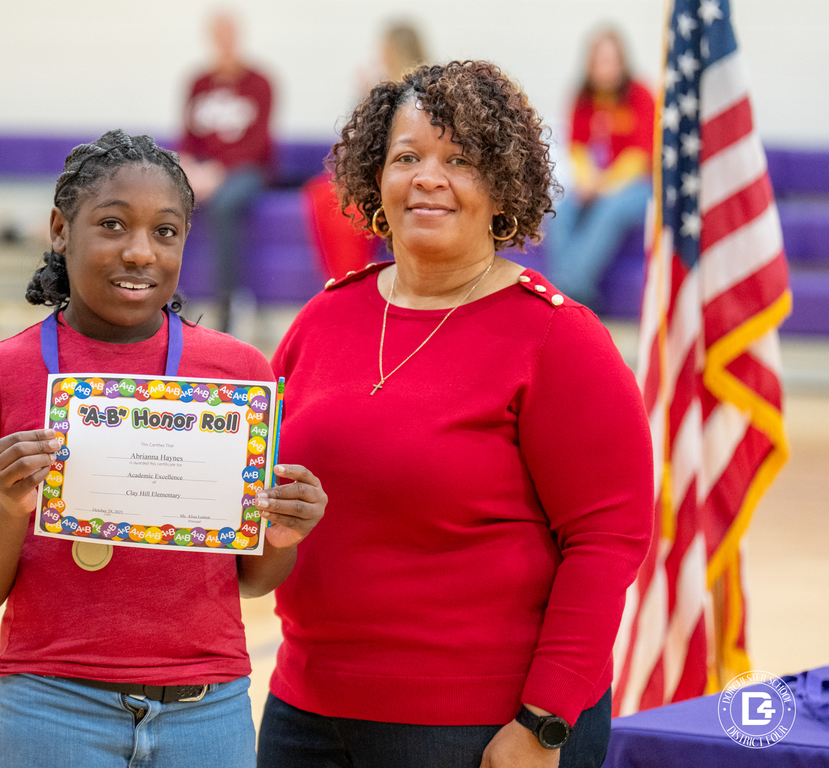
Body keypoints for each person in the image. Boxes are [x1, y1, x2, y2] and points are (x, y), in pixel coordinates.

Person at [256, 62, 654, 768]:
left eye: (459, 160)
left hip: (481, 725)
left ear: (503, 187)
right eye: (406, 157)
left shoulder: (559, 339)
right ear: (375, 178)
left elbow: (608, 541)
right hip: (305, 714)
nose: (427, 178)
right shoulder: (324, 318)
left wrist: (544, 723)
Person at [0, 129, 326, 767]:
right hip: (50, 708)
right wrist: (8, 506)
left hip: (207, 712)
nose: (140, 252)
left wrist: (285, 534)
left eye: (165, 232)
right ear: (61, 229)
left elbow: (253, 580)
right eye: (113, 225)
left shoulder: (238, 377)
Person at [304, 20, 429, 282]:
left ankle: (349, 280)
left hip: (401, 170)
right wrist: (364, 95)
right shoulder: (379, 87)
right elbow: (357, 137)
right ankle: (343, 280)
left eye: (384, 49)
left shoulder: (423, 88)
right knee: (323, 193)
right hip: (375, 168)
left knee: (344, 202)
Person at [546, 28, 655, 309]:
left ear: (623, 63)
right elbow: (577, 149)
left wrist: (603, 186)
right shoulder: (582, 98)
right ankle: (572, 290)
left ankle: (567, 289)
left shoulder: (641, 96)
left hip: (638, 186)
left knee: (611, 210)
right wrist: (586, 182)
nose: (605, 67)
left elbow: (640, 156)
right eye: (599, 61)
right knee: (560, 210)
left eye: (611, 60)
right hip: (593, 185)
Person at [179, 11, 273, 333]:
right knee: (168, 201)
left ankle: (229, 302)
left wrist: (217, 171)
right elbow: (188, 137)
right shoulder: (198, 83)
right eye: (218, 35)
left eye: (229, 34)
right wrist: (189, 166)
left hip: (248, 172)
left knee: (224, 204)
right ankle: (168, 296)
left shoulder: (260, 83)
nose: (224, 42)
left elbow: (258, 143)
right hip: (205, 171)